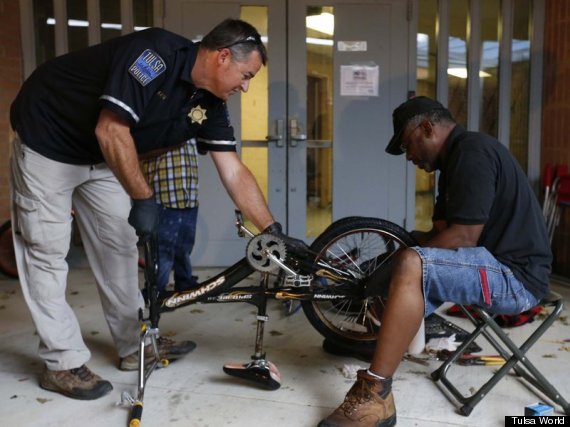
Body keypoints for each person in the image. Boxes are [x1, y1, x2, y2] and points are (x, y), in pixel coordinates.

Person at [10, 18, 303, 401]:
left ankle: (137, 347)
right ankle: (62, 363)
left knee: (118, 244)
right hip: (49, 136)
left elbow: (232, 168)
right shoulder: (154, 57)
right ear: (223, 56)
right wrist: (144, 198)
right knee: (46, 249)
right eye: (246, 75)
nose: (246, 87)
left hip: (100, 153)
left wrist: (271, 230)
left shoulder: (210, 101)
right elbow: (111, 129)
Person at [318, 96, 552, 427]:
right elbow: (438, 234)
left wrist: (397, 264)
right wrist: (387, 258)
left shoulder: (473, 152)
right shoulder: (453, 163)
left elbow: (462, 238)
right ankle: (379, 341)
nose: (409, 156)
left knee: (412, 263)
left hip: (515, 278)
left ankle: (376, 394)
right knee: (409, 249)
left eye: (408, 145)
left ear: (427, 128)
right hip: (486, 263)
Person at [141, 139, 200, 299]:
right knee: (162, 250)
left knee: (184, 246)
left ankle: (185, 281)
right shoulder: (157, 121)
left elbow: (204, 149)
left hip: (189, 196)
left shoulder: (191, 123)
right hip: (163, 197)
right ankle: (155, 290)